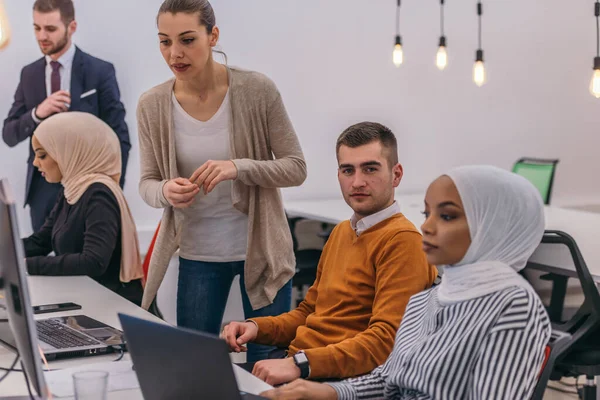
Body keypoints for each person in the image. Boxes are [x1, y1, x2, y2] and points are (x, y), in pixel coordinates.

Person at [260, 165, 552, 400]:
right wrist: (327, 392)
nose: (426, 225)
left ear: (493, 227)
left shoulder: (513, 305)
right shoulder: (428, 298)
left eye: (447, 216)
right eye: (428, 213)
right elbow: (388, 380)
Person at [137, 0, 307, 362]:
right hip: (198, 254)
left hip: (262, 254)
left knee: (268, 366)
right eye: (164, 41)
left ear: (213, 36)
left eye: (187, 39)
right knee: (196, 367)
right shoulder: (152, 105)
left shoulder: (257, 90)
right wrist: (166, 190)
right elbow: (147, 183)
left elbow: (296, 167)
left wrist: (239, 167)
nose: (174, 53)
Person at [222, 122, 438, 385]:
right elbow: (308, 313)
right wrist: (256, 327)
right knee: (194, 382)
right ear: (339, 175)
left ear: (396, 174)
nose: (357, 182)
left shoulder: (403, 241)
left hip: (332, 380)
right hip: (299, 364)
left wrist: (299, 365)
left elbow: (386, 342)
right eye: (348, 170)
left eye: (370, 169)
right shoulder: (341, 233)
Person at [2, 0, 131, 232]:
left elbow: (120, 138)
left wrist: (110, 193)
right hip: (41, 195)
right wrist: (37, 113)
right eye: (36, 28)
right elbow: (9, 135)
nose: (42, 36)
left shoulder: (100, 71)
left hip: (89, 192)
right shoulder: (29, 74)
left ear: (72, 27)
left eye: (50, 29)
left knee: (85, 265)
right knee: (42, 266)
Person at [23, 112, 143, 306]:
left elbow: (93, 261)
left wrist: (24, 266)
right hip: (85, 299)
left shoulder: (99, 195)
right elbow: (41, 242)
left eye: (42, 155)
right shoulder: (71, 190)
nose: (36, 163)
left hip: (111, 309)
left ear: (68, 151)